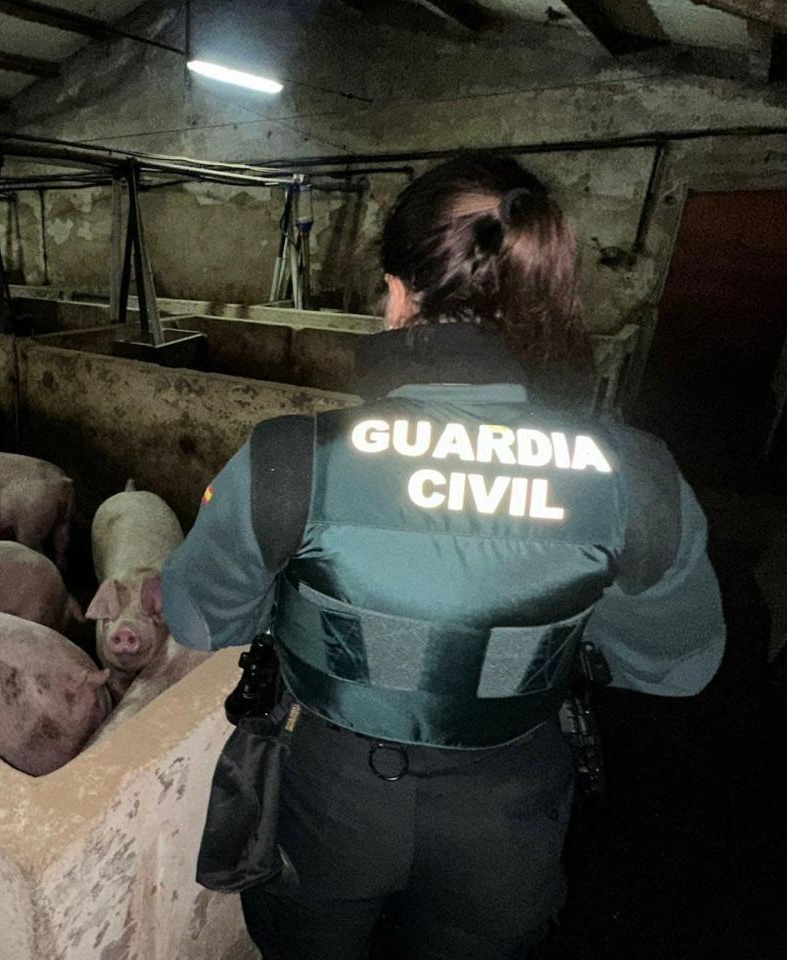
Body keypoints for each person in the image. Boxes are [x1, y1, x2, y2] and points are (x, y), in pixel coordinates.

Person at [160, 155, 726, 960]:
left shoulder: (291, 459)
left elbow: (197, 615)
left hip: (326, 794)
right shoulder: (637, 475)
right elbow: (678, 667)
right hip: (510, 804)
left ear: (397, 293)